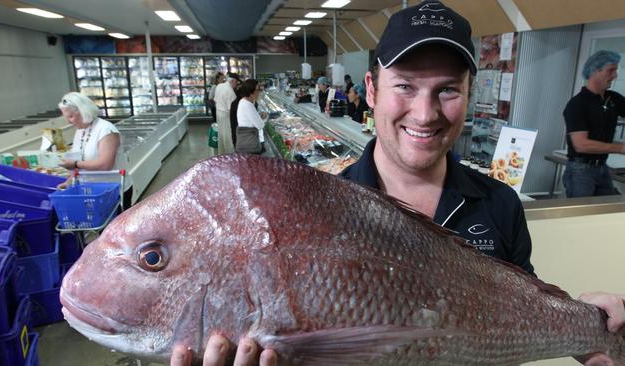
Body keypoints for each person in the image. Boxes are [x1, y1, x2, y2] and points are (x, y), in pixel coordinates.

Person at [171, 3, 625, 365]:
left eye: (447, 89)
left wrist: (585, 324)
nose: (425, 113)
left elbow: (515, 301)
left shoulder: (499, 202)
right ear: (371, 90)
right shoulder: (321, 212)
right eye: (405, 86)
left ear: (468, 94)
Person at [562, 50, 625, 198]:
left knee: (604, 212)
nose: (615, 76)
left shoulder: (613, 99)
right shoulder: (578, 104)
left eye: (616, 70)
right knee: (581, 216)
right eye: (611, 70)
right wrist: (621, 148)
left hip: (602, 167)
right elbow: (581, 144)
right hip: (581, 170)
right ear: (595, 71)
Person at [57, 92, 132, 209]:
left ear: (83, 111)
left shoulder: (106, 130)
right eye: (66, 117)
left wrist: (75, 164)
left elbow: (105, 164)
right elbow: (79, 161)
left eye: (71, 116)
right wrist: (69, 182)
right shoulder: (80, 131)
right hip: (92, 191)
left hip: (113, 191)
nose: (69, 122)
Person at [236, 79, 268, 154]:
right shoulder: (247, 105)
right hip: (251, 144)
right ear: (251, 92)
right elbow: (260, 125)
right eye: (257, 89)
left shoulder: (244, 101)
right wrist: (264, 118)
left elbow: (250, 119)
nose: (259, 92)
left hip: (247, 141)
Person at [214, 72, 240, 154]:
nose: (236, 85)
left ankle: (221, 153)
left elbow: (215, 100)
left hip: (218, 113)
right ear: (232, 81)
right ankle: (229, 155)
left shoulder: (219, 86)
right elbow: (232, 110)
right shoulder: (230, 92)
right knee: (228, 136)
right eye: (236, 82)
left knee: (221, 135)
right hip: (226, 115)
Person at [229, 84, 246, 148]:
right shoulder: (244, 104)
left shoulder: (234, 103)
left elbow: (232, 121)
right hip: (243, 135)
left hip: (236, 133)